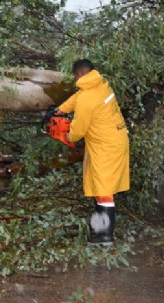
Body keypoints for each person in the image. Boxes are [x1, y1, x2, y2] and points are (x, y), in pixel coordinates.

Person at [54, 59, 130, 246]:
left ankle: (105, 236)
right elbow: (78, 97)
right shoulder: (101, 84)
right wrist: (60, 110)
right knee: (99, 186)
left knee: (104, 190)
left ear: (79, 75)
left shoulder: (87, 99)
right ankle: (98, 229)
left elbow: (78, 131)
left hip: (106, 146)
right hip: (113, 139)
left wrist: (65, 137)